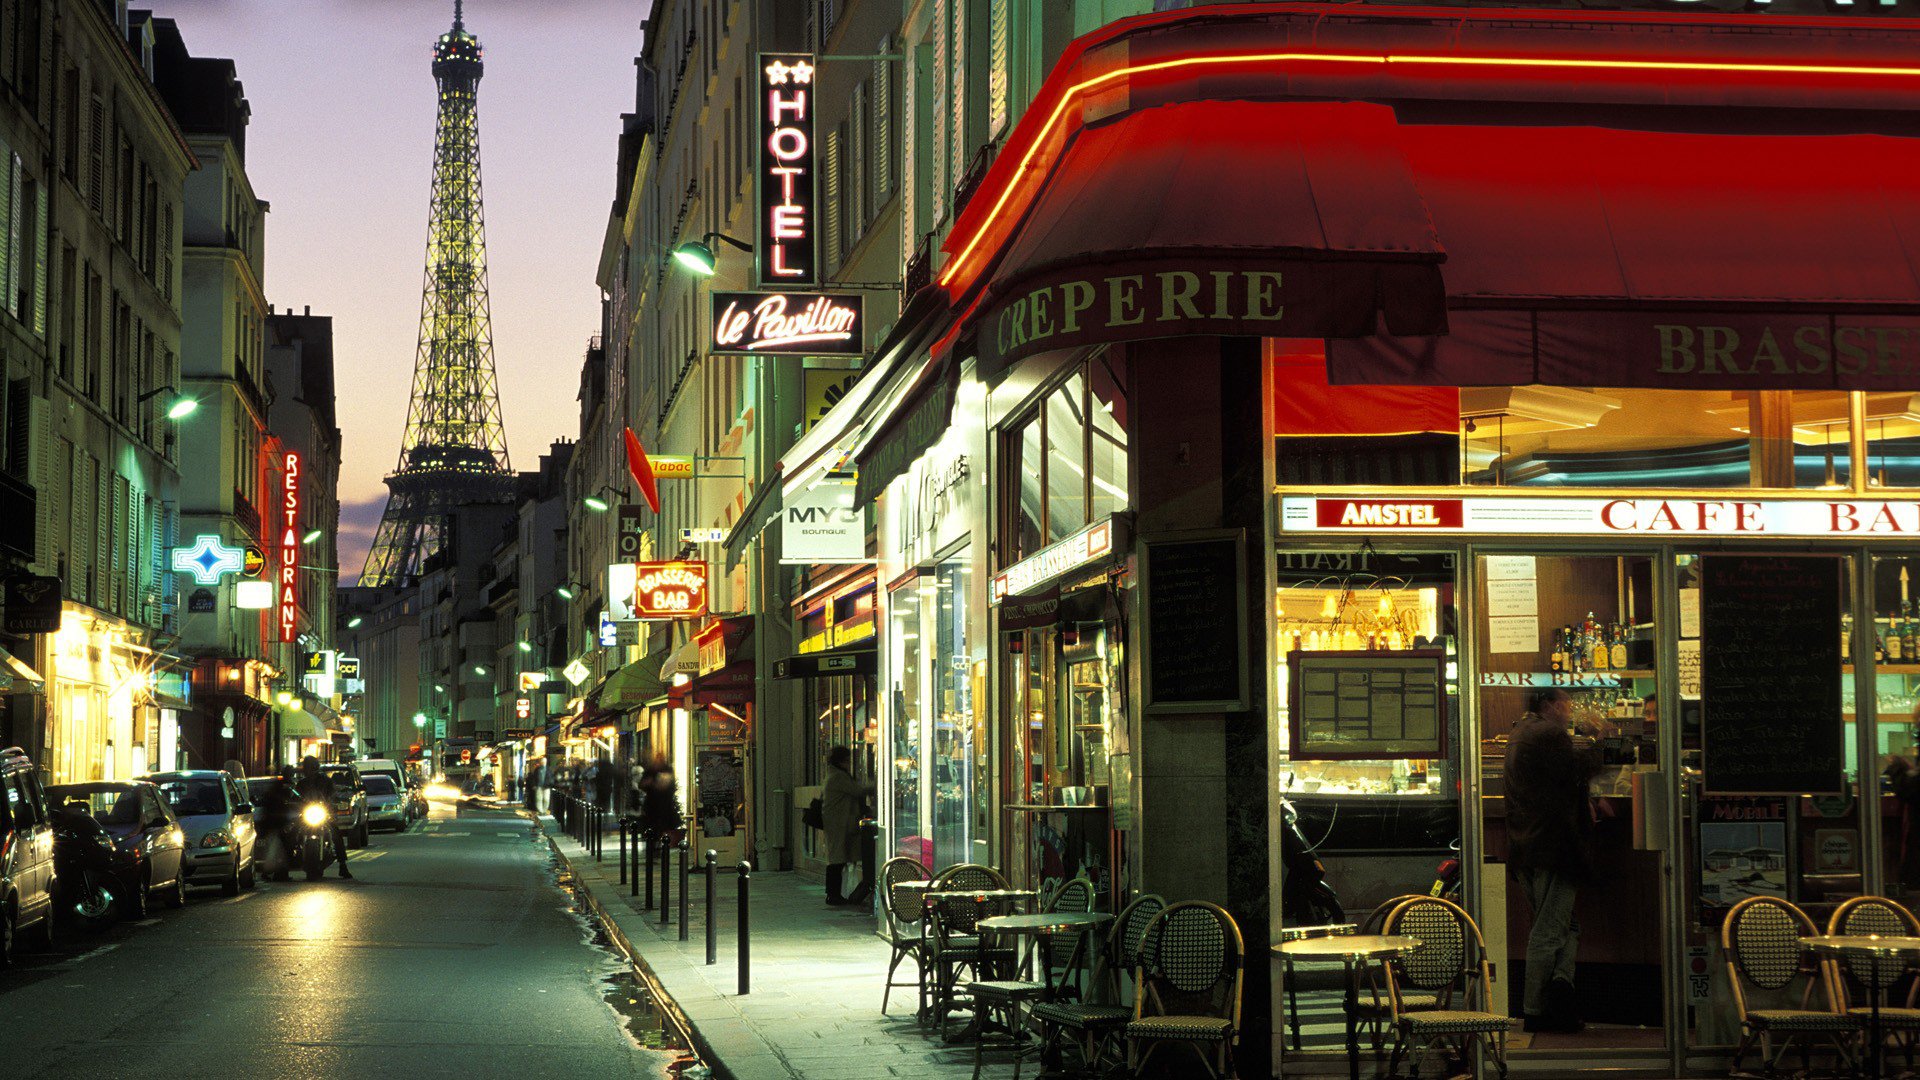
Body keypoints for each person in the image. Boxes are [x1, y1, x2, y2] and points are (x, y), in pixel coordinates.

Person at [1504, 688, 1613, 1033]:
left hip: (1526, 844)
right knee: (1550, 930)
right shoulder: (1549, 733)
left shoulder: (1521, 731)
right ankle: (1535, 1009)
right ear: (1549, 705)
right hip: (1553, 845)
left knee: (1564, 926)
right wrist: (1602, 739)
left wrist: (1587, 801)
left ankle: (1560, 993)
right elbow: (1578, 770)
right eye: (1566, 704)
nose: (1570, 710)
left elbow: (1555, 784)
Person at [821, 746, 873, 906]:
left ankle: (834, 894)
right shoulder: (838, 777)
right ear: (841, 761)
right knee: (837, 860)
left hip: (839, 822)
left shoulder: (835, 774)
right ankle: (833, 895)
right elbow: (858, 791)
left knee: (838, 859)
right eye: (848, 760)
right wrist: (877, 784)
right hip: (838, 823)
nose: (850, 763)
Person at [294, 756, 352, 879]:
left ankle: (343, 865)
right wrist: (293, 804)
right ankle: (283, 866)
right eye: (307, 768)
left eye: (311, 767)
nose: (309, 770)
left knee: (335, 833)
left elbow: (332, 794)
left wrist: (333, 803)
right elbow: (295, 797)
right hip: (306, 814)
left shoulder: (325, 781)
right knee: (292, 831)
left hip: (323, 813)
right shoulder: (301, 783)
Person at [255, 769, 296, 882]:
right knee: (280, 849)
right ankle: (278, 873)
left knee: (276, 849)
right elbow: (285, 805)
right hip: (277, 823)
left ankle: (276, 873)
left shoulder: (279, 786)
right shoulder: (283, 787)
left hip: (275, 823)